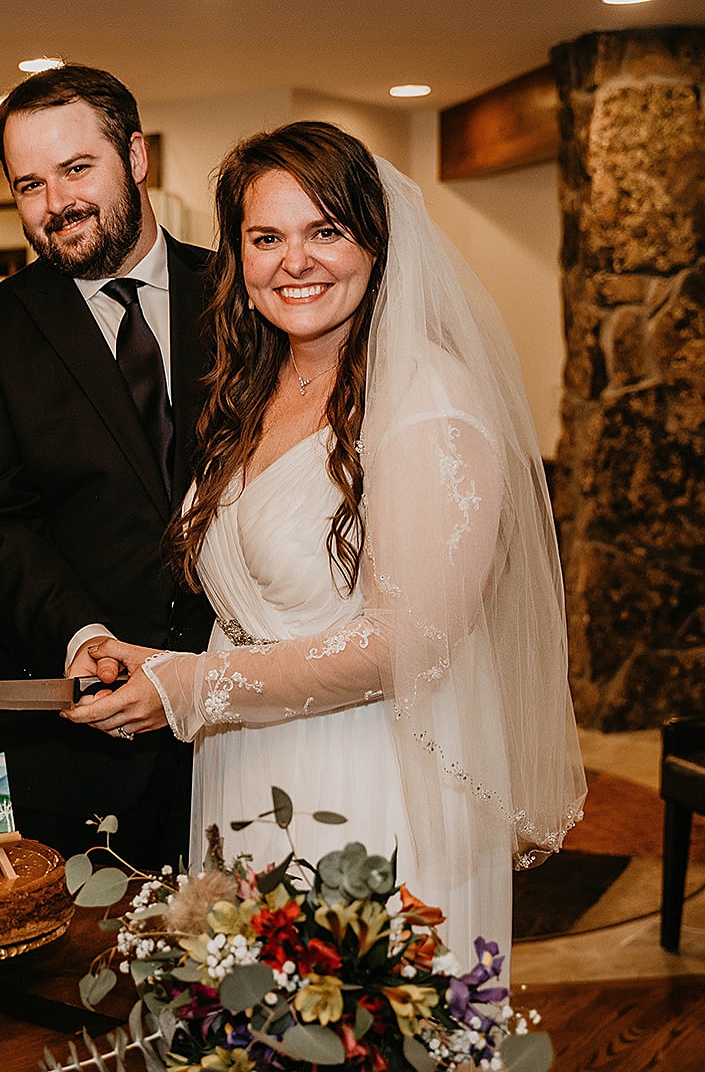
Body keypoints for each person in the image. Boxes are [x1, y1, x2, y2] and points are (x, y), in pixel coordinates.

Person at [66, 122, 586, 967]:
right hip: (243, 762)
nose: (294, 261)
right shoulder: (254, 384)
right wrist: (152, 663)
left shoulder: (426, 397)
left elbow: (407, 639)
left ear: (376, 244)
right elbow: (250, 604)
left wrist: (194, 687)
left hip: (369, 777)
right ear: (237, 254)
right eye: (266, 236)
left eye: (326, 231)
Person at [0, 64, 214, 867]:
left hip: (233, 725)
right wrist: (82, 637)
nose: (56, 204)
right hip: (70, 741)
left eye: (77, 169)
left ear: (137, 155)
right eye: (28, 185)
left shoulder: (240, 297)